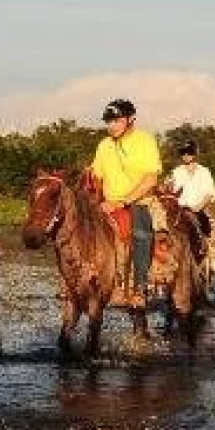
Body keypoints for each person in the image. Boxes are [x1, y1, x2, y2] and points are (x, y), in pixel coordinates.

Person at [89, 99, 161, 308]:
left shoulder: (145, 140)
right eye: (108, 122)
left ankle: (140, 288)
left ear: (130, 119)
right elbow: (96, 176)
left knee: (141, 233)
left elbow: (151, 179)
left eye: (116, 121)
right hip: (108, 204)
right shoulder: (104, 145)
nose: (111, 126)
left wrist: (123, 201)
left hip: (140, 201)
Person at [164, 140, 215, 274]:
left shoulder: (204, 172)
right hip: (180, 209)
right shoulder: (175, 172)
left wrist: (198, 206)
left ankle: (213, 258)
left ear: (194, 154)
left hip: (199, 208)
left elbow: (210, 193)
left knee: (214, 228)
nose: (186, 155)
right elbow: (169, 191)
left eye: (189, 152)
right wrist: (166, 187)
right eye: (183, 153)